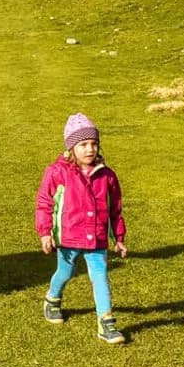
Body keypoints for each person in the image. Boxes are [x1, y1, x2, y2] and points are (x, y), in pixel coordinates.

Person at [35, 114, 128, 343]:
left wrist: (118, 237)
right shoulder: (58, 172)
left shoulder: (107, 176)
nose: (90, 149)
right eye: (83, 144)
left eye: (94, 144)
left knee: (100, 277)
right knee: (65, 273)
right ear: (71, 147)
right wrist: (45, 233)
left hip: (96, 238)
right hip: (68, 236)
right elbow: (44, 203)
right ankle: (52, 298)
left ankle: (106, 324)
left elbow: (115, 209)